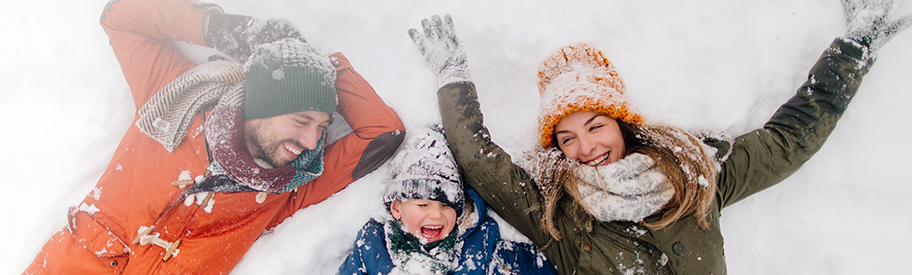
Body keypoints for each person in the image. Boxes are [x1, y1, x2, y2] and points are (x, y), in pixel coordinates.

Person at [407, 0, 911, 274]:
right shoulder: (556, 216)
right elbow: (477, 159)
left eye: (596, 125)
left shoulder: (695, 177)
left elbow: (790, 138)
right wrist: (453, 75)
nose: (586, 150)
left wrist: (855, 47)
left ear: (622, 124)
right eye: (566, 139)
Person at [24, 0, 406, 273]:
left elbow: (383, 131)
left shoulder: (288, 187)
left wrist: (324, 66)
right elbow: (119, 16)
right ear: (262, 104)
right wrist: (220, 28)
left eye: (322, 127)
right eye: (301, 120)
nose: (311, 142)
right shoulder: (178, 98)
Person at [338, 126, 557, 275]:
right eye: (423, 205)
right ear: (396, 208)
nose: (436, 214)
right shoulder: (372, 246)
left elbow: (536, 267)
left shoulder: (480, 244)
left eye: (446, 205)